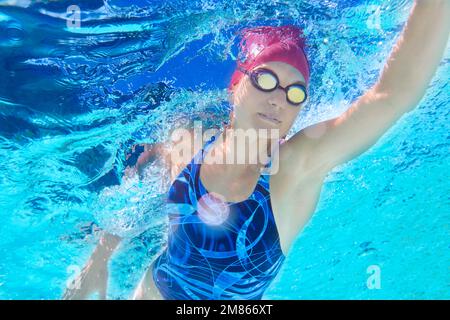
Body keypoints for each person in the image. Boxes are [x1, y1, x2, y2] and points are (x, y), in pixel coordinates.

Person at [63, 0, 450, 300]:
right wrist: (99, 258)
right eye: (266, 79)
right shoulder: (190, 143)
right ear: (236, 84)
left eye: (295, 91)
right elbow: (136, 194)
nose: (279, 99)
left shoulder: (294, 170)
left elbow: (392, 95)